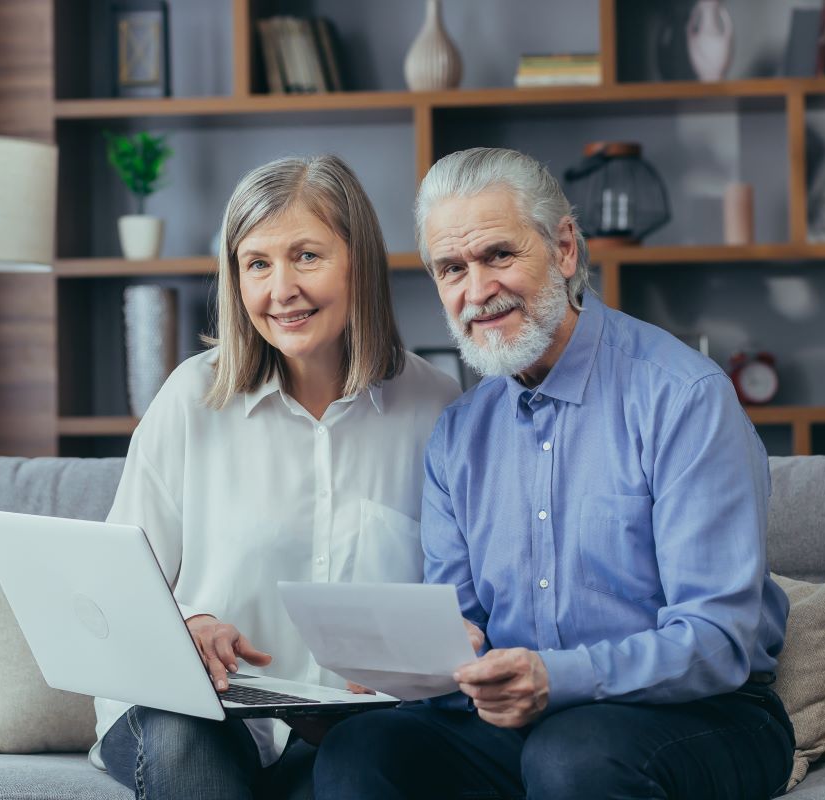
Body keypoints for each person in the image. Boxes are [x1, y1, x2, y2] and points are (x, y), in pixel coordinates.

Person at [313, 147, 795, 800]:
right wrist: (422, 663)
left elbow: (715, 643)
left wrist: (558, 678)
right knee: (360, 752)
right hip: (523, 722)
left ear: (564, 248)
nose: (476, 292)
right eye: (452, 268)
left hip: (704, 713)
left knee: (572, 760)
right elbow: (462, 622)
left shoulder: (681, 397)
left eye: (498, 256)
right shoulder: (458, 436)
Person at [92, 154, 461, 800]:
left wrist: (404, 671)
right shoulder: (190, 399)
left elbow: (461, 604)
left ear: (360, 263)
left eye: (306, 257)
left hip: (352, 730)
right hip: (191, 713)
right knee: (187, 741)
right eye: (257, 264)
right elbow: (113, 595)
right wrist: (185, 628)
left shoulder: (436, 408)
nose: (280, 289)